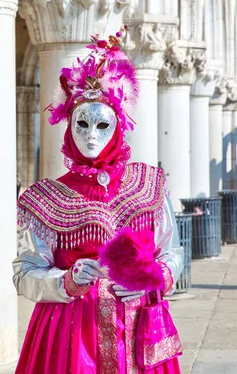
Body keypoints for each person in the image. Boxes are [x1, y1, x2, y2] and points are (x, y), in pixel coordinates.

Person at [14, 27, 184, 373]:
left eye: (102, 125)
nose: (91, 135)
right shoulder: (46, 198)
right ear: (68, 127)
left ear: (118, 127)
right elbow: (24, 272)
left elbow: (172, 253)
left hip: (138, 329)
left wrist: (147, 279)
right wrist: (66, 280)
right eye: (82, 124)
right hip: (71, 335)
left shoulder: (148, 185)